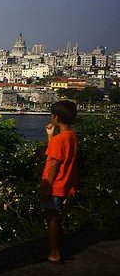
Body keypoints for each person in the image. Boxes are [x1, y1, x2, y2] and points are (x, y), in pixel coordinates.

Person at [40, 100, 78, 264]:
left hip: (54, 186)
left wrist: (47, 186)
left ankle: (54, 253)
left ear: (56, 117)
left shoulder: (58, 140)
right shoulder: (71, 137)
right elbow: (55, 154)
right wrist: (50, 136)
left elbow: (54, 163)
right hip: (65, 184)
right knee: (56, 218)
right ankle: (58, 250)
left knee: (52, 220)